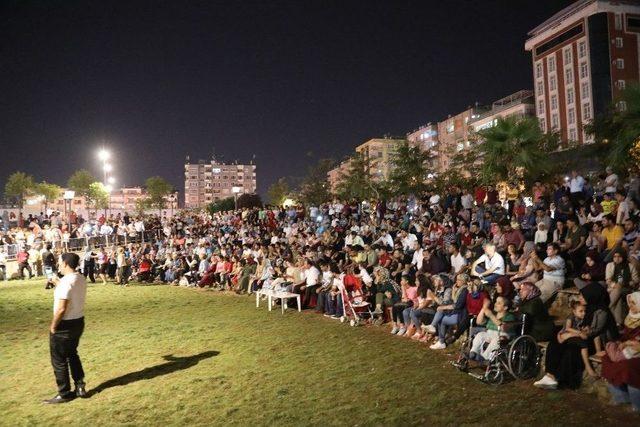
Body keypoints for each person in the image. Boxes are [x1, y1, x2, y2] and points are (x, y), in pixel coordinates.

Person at [535, 282, 617, 390]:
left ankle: (559, 379)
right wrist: (563, 332)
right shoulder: (586, 308)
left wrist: (569, 335)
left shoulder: (601, 312)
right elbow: (571, 323)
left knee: (571, 350)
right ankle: (550, 375)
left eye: (583, 296)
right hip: (579, 336)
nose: (580, 298)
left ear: (591, 296)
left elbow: (594, 332)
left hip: (594, 341)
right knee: (555, 343)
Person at [44, 252, 87, 404]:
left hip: (64, 324)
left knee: (59, 359)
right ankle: (80, 386)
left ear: (66, 264)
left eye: (60, 262)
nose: (59, 264)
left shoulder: (66, 283)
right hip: (78, 321)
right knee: (72, 354)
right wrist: (58, 283)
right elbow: (71, 291)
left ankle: (64, 393)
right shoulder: (80, 278)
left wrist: (53, 326)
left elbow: (62, 308)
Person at [601, 292, 640, 412]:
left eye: (634, 304)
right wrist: (620, 343)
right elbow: (625, 335)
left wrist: (628, 344)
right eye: (630, 303)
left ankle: (636, 403)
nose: (630, 306)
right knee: (607, 360)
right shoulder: (630, 317)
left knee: (627, 368)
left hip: (637, 352)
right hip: (629, 350)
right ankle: (620, 397)